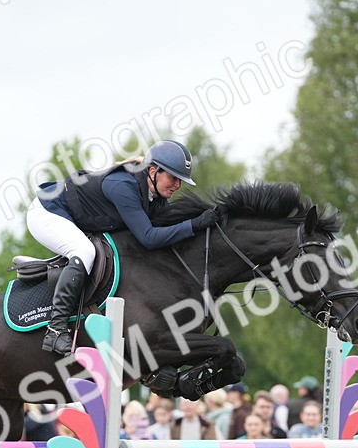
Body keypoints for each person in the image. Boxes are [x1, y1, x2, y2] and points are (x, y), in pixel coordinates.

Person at [27, 140, 219, 354]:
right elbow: (149, 237)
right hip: (47, 212)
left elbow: (165, 234)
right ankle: (56, 329)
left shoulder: (155, 197)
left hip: (74, 216)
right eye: (173, 178)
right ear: (153, 171)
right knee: (84, 251)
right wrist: (195, 224)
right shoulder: (123, 186)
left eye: (180, 180)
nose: (177, 185)